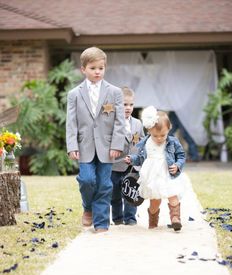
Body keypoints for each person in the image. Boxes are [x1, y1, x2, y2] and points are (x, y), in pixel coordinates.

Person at [66, 47, 125, 233]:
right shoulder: (74, 94)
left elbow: (119, 121)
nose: (97, 71)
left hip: (108, 147)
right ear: (83, 69)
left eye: (101, 68)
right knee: (86, 180)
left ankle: (101, 223)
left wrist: (117, 144)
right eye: (93, 68)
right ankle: (87, 207)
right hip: (84, 146)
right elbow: (71, 122)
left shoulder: (115, 92)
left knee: (105, 184)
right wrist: (72, 145)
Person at [125, 106, 186, 231]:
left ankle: (175, 218)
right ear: (149, 131)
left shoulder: (172, 142)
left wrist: (177, 165)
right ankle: (153, 222)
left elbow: (181, 155)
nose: (159, 139)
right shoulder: (146, 143)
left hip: (168, 174)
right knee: (155, 202)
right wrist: (131, 159)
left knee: (173, 195)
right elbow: (140, 159)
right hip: (153, 177)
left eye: (162, 135)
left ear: (169, 129)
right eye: (155, 136)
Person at [111, 87, 145, 226]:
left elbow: (142, 142)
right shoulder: (112, 123)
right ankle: (117, 218)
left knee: (131, 192)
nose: (128, 108)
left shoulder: (137, 123)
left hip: (132, 166)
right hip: (115, 165)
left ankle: (130, 218)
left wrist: (138, 157)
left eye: (131, 104)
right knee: (115, 194)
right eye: (125, 104)